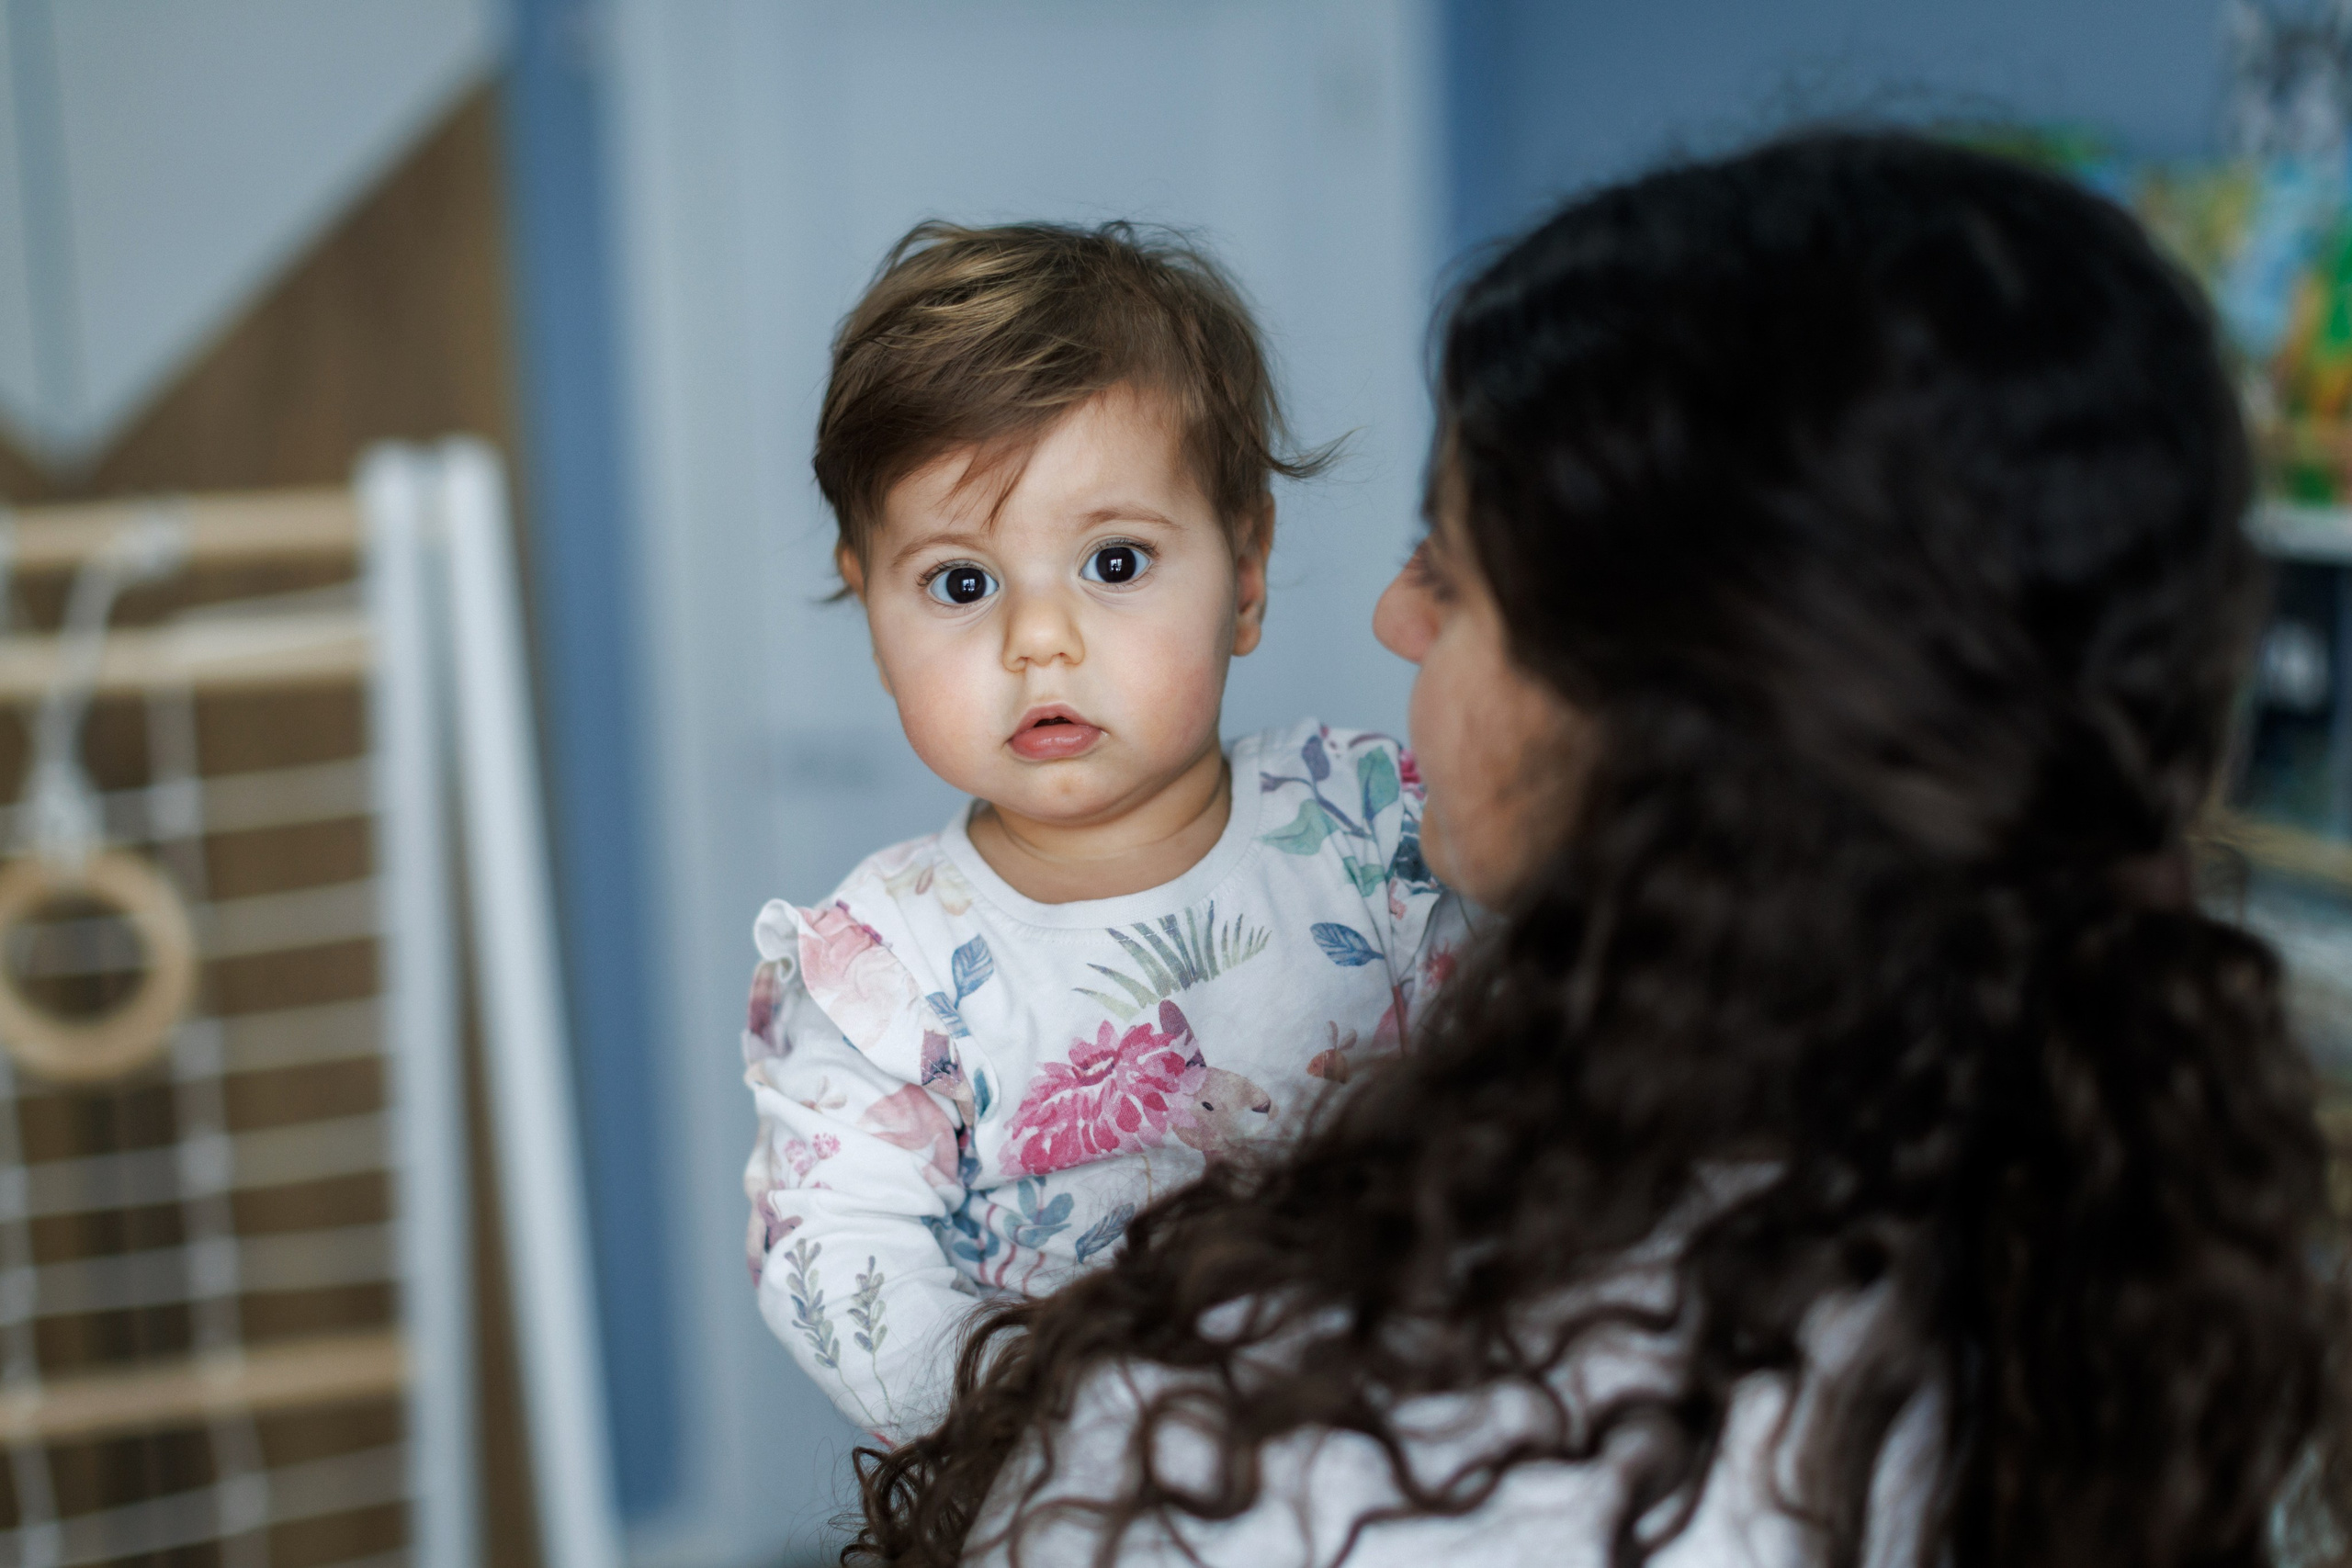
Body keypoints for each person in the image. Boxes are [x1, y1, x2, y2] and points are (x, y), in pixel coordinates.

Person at [850, 132, 2352, 1567]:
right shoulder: (2175, 1311)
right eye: (960, 581)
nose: (1394, 619)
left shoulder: (1242, 1450)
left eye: (1450, 565)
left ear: (1662, 704)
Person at [741, 222, 1470, 1443]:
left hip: (1407, 1448)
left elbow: (1533, 1066)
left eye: (1114, 561)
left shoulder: (1374, 829)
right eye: (961, 584)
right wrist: (1041, 1450)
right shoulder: (882, 970)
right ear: (871, 612)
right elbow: (835, 1257)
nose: (1039, 640)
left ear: (1245, 575)